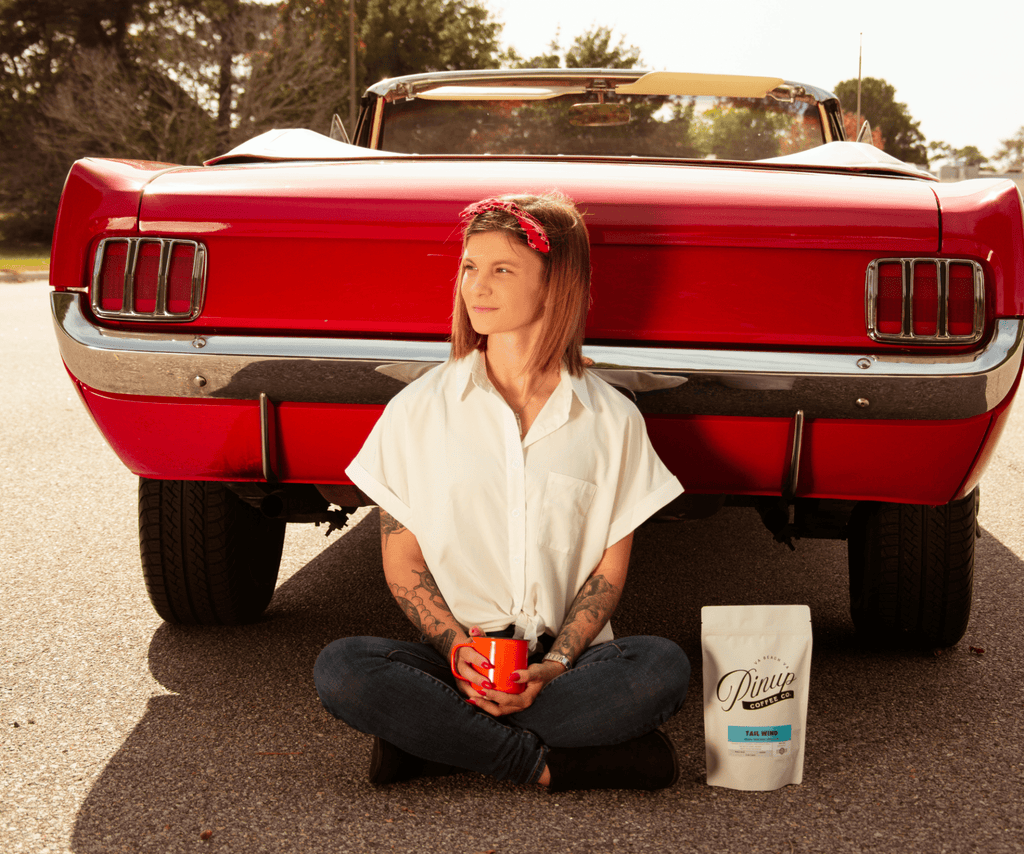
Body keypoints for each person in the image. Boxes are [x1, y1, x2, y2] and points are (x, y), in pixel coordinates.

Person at [314, 192, 690, 791]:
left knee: (661, 667)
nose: (475, 286)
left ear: (556, 284)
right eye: (469, 267)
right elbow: (403, 561)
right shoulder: (414, 411)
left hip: (566, 666)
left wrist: (556, 663)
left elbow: (607, 574)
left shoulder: (614, 419)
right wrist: (457, 649)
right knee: (344, 670)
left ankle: (436, 745)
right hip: (455, 660)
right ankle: (545, 764)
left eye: (502, 269)